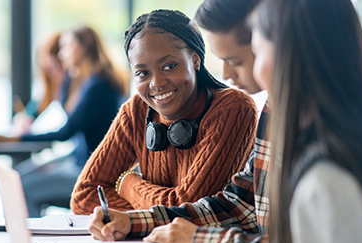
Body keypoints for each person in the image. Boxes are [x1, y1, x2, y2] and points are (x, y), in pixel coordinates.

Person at [91, 0, 362, 243]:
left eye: (253, 53)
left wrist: (201, 239)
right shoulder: (285, 117)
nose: (231, 75)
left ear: (292, 53)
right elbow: (242, 202)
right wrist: (138, 221)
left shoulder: (329, 168)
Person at [89, 0, 272, 243]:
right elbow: (236, 206)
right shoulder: (275, 114)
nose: (225, 73)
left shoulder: (243, 108)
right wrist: (132, 222)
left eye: (236, 60)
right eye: (142, 73)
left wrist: (126, 182)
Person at [70, 9, 258, 215]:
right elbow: (83, 196)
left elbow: (187, 208)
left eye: (169, 66)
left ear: (195, 60)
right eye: (143, 73)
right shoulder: (137, 110)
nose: (157, 83)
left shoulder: (233, 108)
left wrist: (127, 183)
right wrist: (142, 217)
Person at [0, 26, 126, 217]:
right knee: (17, 176)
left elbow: (66, 132)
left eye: (67, 47)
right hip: (79, 160)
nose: (62, 54)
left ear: (85, 47)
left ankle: (33, 241)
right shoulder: (83, 80)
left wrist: (13, 139)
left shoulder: (98, 86)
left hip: (91, 173)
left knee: (21, 187)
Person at [12, 32, 65, 132]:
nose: (52, 75)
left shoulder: (70, 94)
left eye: (53, 68)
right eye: (48, 70)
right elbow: (27, 115)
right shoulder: (46, 93)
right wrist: (22, 119)